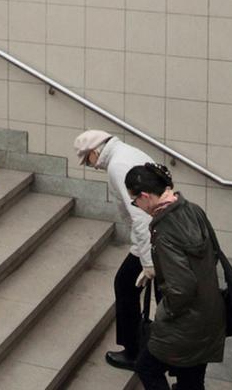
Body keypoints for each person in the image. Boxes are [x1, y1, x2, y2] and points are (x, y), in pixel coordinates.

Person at [125, 163, 226, 390]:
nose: (137, 207)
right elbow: (216, 253)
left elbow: (181, 289)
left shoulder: (165, 230)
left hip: (185, 324)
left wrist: (164, 313)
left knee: (146, 368)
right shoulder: (193, 209)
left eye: (136, 201)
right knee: (191, 380)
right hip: (210, 313)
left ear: (145, 196)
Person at [74, 130, 156, 370]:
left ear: (94, 152)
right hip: (157, 236)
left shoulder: (118, 166)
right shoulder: (129, 152)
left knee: (125, 284)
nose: (90, 166)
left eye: (86, 160)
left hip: (152, 241)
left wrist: (147, 260)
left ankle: (134, 351)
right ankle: (147, 349)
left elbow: (139, 214)